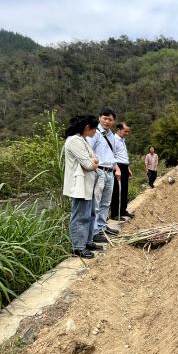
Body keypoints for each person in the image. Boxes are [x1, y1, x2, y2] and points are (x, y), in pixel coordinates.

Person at [63, 115, 104, 259]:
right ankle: (78, 248)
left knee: (90, 214)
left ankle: (87, 241)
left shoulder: (83, 140)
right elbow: (89, 164)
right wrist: (93, 162)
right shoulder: (74, 141)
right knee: (80, 216)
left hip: (88, 183)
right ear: (87, 127)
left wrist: (93, 162)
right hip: (80, 185)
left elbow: (95, 159)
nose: (95, 132)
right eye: (94, 129)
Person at [88, 107, 121, 243]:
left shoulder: (111, 135)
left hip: (109, 172)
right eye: (105, 118)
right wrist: (94, 168)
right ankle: (94, 232)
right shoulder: (94, 133)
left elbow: (111, 154)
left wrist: (116, 168)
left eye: (110, 119)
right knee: (96, 203)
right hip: (99, 171)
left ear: (113, 121)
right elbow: (88, 151)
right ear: (99, 118)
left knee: (106, 202)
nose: (107, 121)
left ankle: (102, 226)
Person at [111, 122, 134, 221]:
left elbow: (122, 155)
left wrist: (127, 168)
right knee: (117, 190)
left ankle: (123, 210)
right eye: (125, 131)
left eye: (128, 132)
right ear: (119, 130)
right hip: (118, 167)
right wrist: (116, 168)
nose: (127, 133)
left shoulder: (122, 140)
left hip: (124, 167)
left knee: (124, 190)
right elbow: (112, 155)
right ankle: (115, 213)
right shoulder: (113, 140)